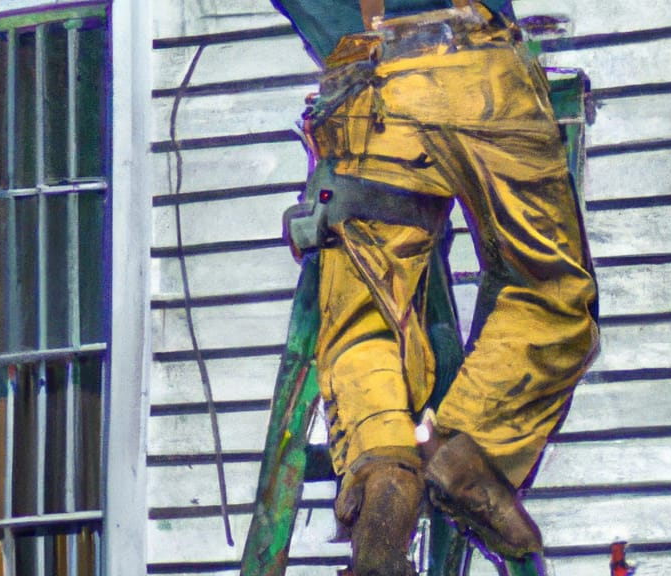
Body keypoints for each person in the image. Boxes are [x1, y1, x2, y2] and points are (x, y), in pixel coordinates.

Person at [275, 1, 600, 574]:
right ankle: (469, 448)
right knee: (551, 293)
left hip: (366, 83)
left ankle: (383, 483)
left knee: (364, 319)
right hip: (477, 67)